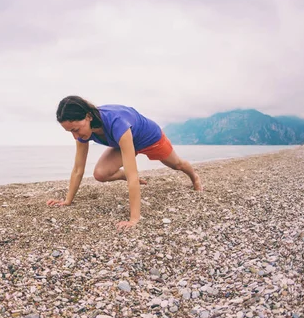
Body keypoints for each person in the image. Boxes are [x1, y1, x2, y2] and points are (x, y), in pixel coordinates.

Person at [46, 95, 202, 230]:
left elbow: (132, 174)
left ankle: (195, 177)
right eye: (70, 132)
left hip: (150, 139)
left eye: (76, 129)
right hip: (123, 142)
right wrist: (67, 201)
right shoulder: (82, 133)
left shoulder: (117, 122)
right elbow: (78, 169)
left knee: (177, 165)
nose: (75, 136)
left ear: (88, 117)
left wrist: (134, 219)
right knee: (100, 174)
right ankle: (123, 176)